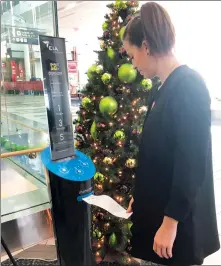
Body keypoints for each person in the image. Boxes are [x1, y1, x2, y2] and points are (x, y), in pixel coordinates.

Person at [123, 2, 220, 266]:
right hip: (160, 210)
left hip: (177, 224)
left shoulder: (188, 86)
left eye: (132, 56)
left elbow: (191, 162)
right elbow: (160, 153)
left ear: (146, 46)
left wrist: (170, 222)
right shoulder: (163, 87)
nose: (133, 64)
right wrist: (142, 196)